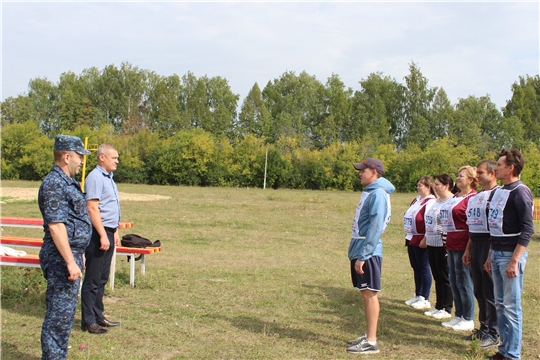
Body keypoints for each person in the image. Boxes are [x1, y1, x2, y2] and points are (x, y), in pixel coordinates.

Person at [38, 135, 92, 359]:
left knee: (66, 314)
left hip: (70, 255)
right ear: (66, 156)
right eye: (79, 156)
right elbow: (56, 226)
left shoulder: (67, 182)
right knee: (58, 316)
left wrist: (79, 254)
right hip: (60, 259)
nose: (81, 161)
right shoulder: (54, 184)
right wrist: (70, 260)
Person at [485, 149, 534, 360]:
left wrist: (514, 260)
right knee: (500, 304)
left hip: (509, 255)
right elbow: (494, 227)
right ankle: (504, 350)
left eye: (499, 165)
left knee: (512, 307)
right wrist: (489, 255)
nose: (495, 168)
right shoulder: (499, 191)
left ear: (511, 168)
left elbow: (527, 229)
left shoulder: (521, 192)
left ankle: (513, 355)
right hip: (496, 252)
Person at [346, 158, 395, 354]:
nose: (360, 173)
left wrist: (364, 255)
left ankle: (371, 341)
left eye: (363, 170)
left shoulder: (378, 195)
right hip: (361, 248)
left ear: (373, 173)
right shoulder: (370, 192)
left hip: (368, 251)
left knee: (370, 294)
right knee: (365, 293)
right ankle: (368, 335)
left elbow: (376, 227)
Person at [81, 144, 121, 334]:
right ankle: (88, 320)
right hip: (99, 233)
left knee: (102, 277)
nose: (117, 161)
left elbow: (110, 208)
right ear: (102, 157)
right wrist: (103, 234)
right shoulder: (96, 177)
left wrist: (115, 232)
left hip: (108, 231)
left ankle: (99, 315)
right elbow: (92, 208)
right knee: (93, 278)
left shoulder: (109, 178)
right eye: (114, 158)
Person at [462, 161, 499, 348]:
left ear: (493, 174)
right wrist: (468, 249)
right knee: (478, 289)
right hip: (475, 243)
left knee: (489, 290)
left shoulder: (496, 195)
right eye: (476, 172)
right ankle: (483, 327)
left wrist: (490, 253)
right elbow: (472, 225)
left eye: (481, 172)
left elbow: (494, 226)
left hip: (488, 244)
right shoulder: (476, 196)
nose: (477, 175)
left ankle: (494, 332)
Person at [440, 166, 477, 331]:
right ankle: (459, 314)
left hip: (463, 243)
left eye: (462, 176)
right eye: (458, 175)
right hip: (451, 242)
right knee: (454, 281)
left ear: (471, 179)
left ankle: (468, 318)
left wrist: (469, 248)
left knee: (464, 280)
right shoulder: (455, 196)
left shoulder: (473, 197)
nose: (458, 178)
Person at [424, 174, 455, 320]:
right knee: (436, 275)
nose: (435, 187)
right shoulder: (437, 202)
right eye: (435, 184)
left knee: (444, 275)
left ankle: (447, 307)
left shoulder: (451, 201)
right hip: (431, 242)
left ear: (447, 186)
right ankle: (438, 304)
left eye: (438, 184)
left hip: (443, 244)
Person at [403, 176, 436, 311]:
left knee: (423, 267)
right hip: (411, 236)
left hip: (422, 237)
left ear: (428, 187)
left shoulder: (430, 202)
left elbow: (429, 220)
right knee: (415, 266)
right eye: (417, 185)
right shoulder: (417, 200)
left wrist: (426, 238)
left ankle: (425, 297)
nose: (418, 187)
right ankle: (418, 293)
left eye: (421, 185)